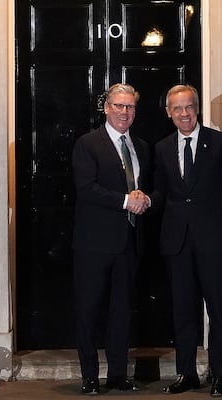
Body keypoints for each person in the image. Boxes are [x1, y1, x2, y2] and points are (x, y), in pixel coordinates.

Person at [150, 84, 222, 397]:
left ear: (197, 109)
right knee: (183, 311)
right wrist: (143, 199)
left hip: (214, 241)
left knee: (218, 310)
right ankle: (187, 373)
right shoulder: (163, 148)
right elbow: (161, 193)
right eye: (177, 109)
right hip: (177, 244)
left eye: (188, 107)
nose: (184, 113)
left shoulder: (219, 143)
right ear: (169, 113)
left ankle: (220, 375)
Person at [71, 83, 150, 395]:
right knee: (89, 311)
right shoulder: (88, 144)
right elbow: (86, 188)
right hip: (93, 244)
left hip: (128, 242)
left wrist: (144, 198)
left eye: (130, 107)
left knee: (122, 311)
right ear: (106, 108)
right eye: (119, 106)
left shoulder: (140, 146)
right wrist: (125, 200)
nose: (124, 112)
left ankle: (118, 375)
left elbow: (146, 187)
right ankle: (90, 377)